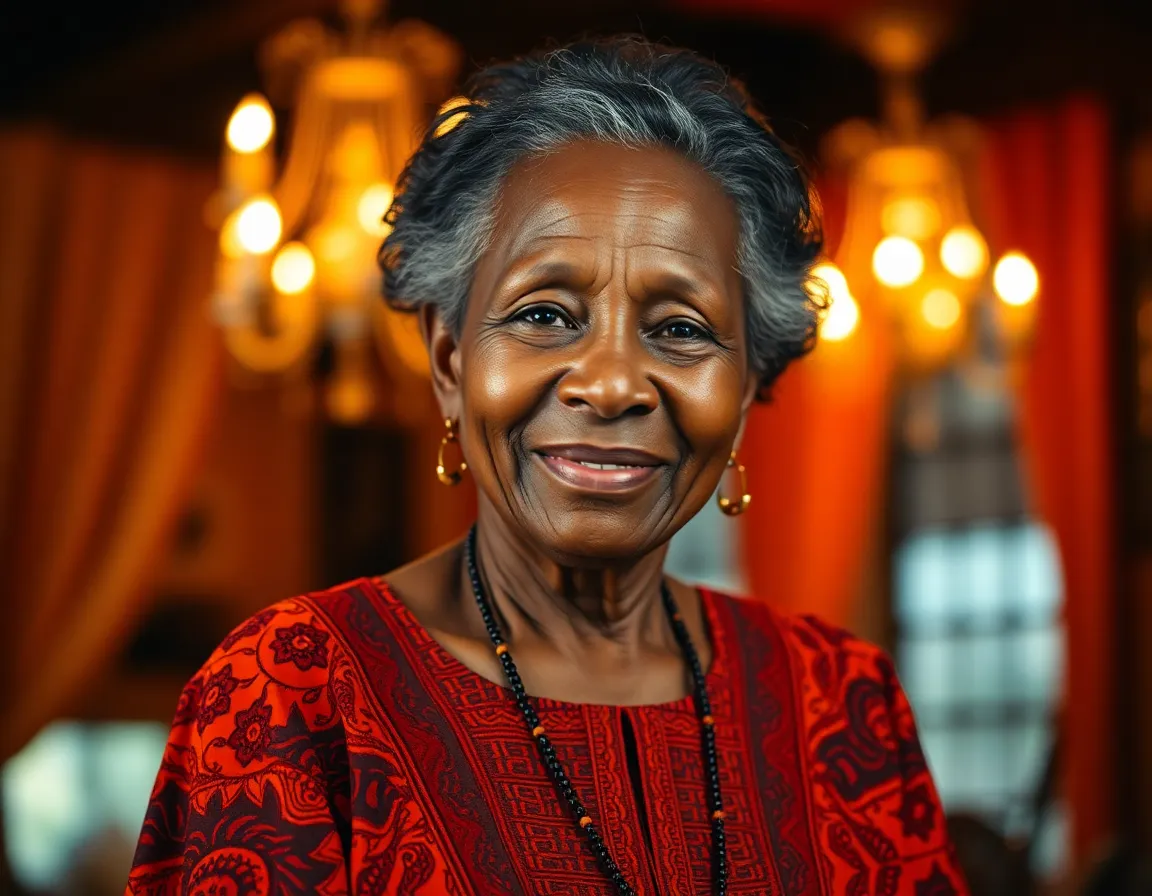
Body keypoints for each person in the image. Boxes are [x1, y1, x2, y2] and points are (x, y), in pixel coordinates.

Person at [127, 36, 968, 895]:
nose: (611, 385)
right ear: (450, 360)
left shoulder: (843, 698)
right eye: (544, 314)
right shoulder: (292, 689)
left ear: (747, 382)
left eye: (681, 329)